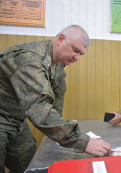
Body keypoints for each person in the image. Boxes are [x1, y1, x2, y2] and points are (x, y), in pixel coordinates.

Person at [0, 25, 111, 173]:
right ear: (60, 39)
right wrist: (82, 141)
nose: (77, 58)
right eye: (75, 50)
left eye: (81, 54)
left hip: (17, 120)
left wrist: (60, 134)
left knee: (30, 165)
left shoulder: (58, 64)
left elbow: (55, 105)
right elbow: (39, 108)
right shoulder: (31, 59)